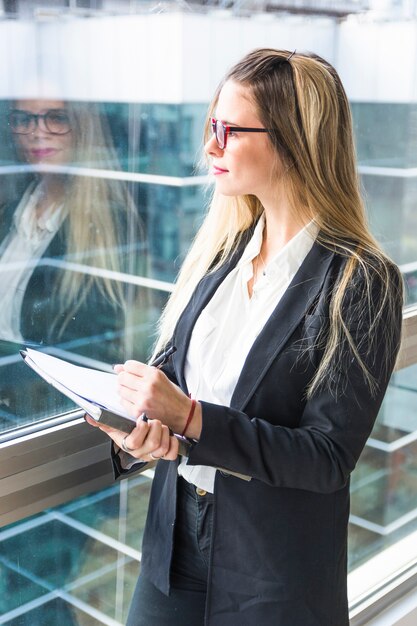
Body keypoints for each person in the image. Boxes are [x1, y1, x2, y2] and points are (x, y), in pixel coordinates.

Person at [85, 49, 403, 625]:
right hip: (174, 538)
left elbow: (327, 457)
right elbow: (175, 390)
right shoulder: (221, 255)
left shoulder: (361, 280)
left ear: (293, 139)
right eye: (211, 128)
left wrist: (189, 419)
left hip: (273, 570)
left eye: (228, 130)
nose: (211, 147)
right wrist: (142, 430)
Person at [0, 98, 140, 360]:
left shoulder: (106, 228)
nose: (37, 132)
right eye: (24, 119)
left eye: (56, 118)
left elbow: (88, 351)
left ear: (83, 128)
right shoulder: (10, 213)